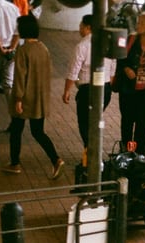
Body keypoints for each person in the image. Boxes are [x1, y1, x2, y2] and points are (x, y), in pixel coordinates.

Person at [5, 14, 63, 178]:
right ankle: (56, 159)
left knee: (16, 130)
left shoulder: (23, 51)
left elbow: (20, 77)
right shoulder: (43, 48)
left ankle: (14, 163)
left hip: (24, 99)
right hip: (40, 98)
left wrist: (17, 98)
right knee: (38, 132)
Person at [62, 14, 114, 157]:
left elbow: (73, 71)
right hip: (106, 89)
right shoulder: (106, 43)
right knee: (95, 121)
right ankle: (92, 153)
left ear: (88, 27)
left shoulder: (82, 46)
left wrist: (67, 91)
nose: (79, 28)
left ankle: (91, 154)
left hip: (87, 91)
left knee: (85, 124)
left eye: (81, 26)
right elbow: (114, 64)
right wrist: (110, 81)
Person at [116, 11, 145, 154]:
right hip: (128, 90)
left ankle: (139, 154)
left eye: (142, 23)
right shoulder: (130, 40)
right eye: (138, 22)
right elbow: (119, 58)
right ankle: (126, 152)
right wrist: (126, 68)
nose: (138, 25)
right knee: (127, 123)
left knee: (143, 126)